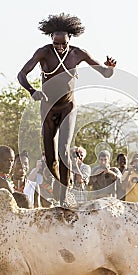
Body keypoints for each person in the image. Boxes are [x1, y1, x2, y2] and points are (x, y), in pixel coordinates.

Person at [17, 13, 116, 205]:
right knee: (50, 157)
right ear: (51, 40)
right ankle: (56, 195)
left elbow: (104, 73)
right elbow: (22, 74)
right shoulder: (43, 53)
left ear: (70, 38)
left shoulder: (78, 54)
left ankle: (63, 197)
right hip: (48, 109)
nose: (60, 47)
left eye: (63, 43)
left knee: (64, 150)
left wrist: (110, 68)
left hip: (68, 108)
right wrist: (32, 91)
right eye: (56, 43)